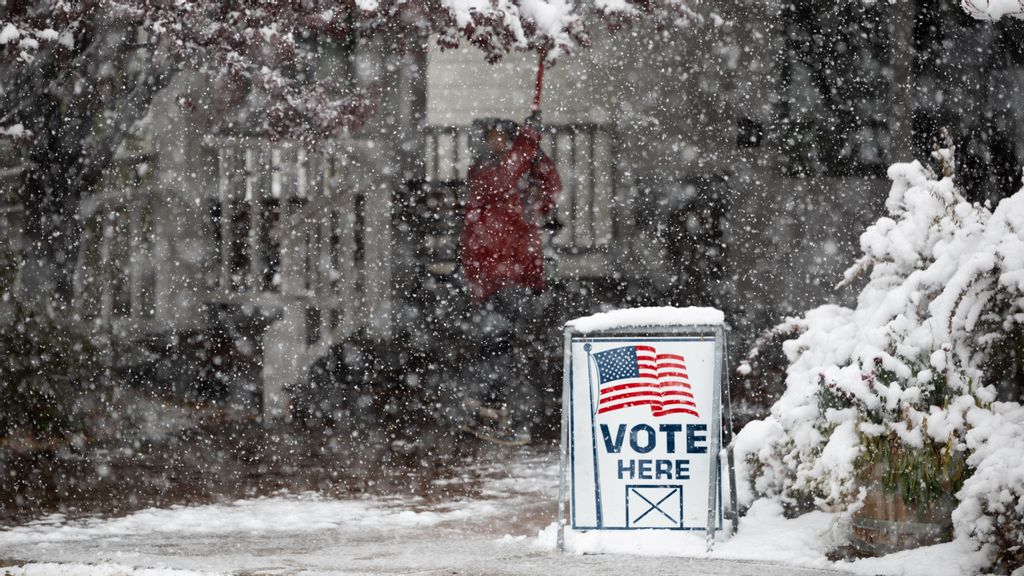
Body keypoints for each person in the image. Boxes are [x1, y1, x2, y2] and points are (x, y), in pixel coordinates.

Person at [459, 113, 562, 443]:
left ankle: (494, 412)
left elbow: (551, 186)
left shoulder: (520, 184)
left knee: (502, 345)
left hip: (516, 272)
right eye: (493, 137)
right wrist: (528, 142)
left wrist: (536, 155)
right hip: (492, 275)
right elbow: (502, 178)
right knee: (496, 345)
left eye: (503, 136)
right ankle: (493, 412)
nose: (497, 142)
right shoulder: (483, 172)